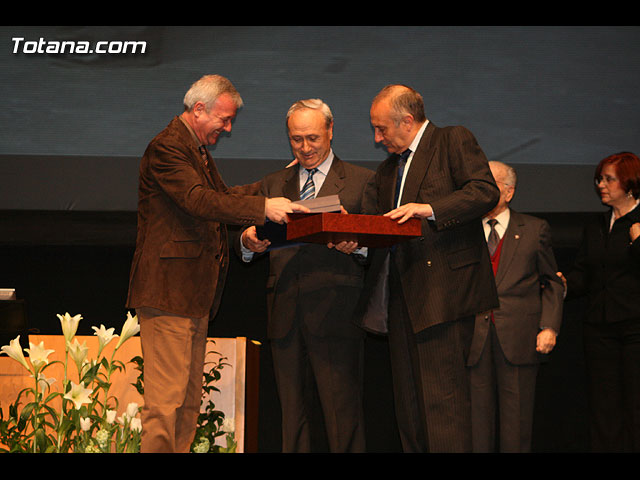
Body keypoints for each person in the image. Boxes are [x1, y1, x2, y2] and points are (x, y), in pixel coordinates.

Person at [126, 74, 308, 453]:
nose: (226, 128)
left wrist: (277, 182)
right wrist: (263, 207)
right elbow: (199, 201)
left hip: (192, 295)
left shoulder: (194, 149)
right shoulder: (167, 147)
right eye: (223, 120)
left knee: (188, 406)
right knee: (166, 406)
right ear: (198, 109)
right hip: (168, 294)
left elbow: (221, 196)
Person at [358, 84, 500, 452]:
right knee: (410, 411)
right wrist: (352, 239)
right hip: (401, 298)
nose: (377, 138)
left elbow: (485, 191)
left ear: (407, 121)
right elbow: (373, 222)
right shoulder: (390, 169)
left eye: (382, 128)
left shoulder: (452, 140)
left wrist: (430, 209)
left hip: (444, 298)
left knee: (443, 408)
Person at [239, 99, 376, 452]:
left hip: (337, 312)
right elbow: (243, 229)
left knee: (342, 415)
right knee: (291, 418)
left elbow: (381, 246)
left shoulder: (363, 181)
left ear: (331, 131)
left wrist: (357, 244)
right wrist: (247, 241)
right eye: (296, 139)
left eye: (313, 138)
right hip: (284, 313)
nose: (305, 147)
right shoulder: (273, 182)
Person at [466, 160, 564, 452]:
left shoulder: (534, 229)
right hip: (474, 339)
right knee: (476, 426)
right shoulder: (464, 231)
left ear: (508, 192)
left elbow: (552, 282)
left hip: (519, 339)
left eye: (489, 185)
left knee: (516, 424)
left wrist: (549, 327)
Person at [559, 151, 640, 452]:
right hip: (599, 329)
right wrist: (563, 284)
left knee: (635, 404)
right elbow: (584, 274)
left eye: (609, 179)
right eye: (599, 179)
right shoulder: (595, 225)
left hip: (635, 329)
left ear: (630, 183)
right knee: (603, 407)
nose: (601, 185)